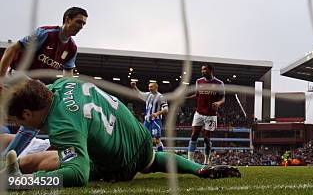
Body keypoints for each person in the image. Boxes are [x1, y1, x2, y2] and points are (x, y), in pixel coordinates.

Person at [2, 78, 240, 186]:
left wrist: (31, 183)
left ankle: (14, 178)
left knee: (34, 160)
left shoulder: (64, 126)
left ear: (26, 114)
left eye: (15, 119)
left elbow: (77, 175)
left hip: (118, 166)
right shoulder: (64, 84)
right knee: (151, 161)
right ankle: (199, 169)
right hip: (140, 139)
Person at [0, 7, 88, 158]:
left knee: (34, 122)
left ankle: (9, 158)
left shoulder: (71, 48)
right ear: (67, 19)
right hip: (16, 78)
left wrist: (69, 95)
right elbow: (12, 50)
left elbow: (68, 76)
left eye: (83, 24)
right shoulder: (45, 34)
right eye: (78, 22)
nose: (80, 27)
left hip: (32, 85)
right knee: (32, 120)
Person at [188, 63, 224, 164]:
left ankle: (207, 159)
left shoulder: (219, 83)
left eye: (204, 70)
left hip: (211, 115)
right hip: (199, 113)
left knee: (206, 138)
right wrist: (185, 98)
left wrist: (218, 103)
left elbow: (223, 98)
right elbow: (196, 95)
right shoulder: (198, 81)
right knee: (194, 135)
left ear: (210, 70)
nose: (202, 71)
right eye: (202, 70)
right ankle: (190, 160)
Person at [131, 81, 169, 152]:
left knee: (156, 140)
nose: (149, 88)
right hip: (147, 120)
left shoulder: (161, 97)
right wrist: (134, 87)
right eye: (149, 87)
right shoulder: (148, 95)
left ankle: (161, 153)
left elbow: (166, 109)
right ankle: (147, 153)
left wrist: (157, 113)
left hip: (156, 120)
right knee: (144, 137)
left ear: (156, 87)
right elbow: (139, 93)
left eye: (151, 87)